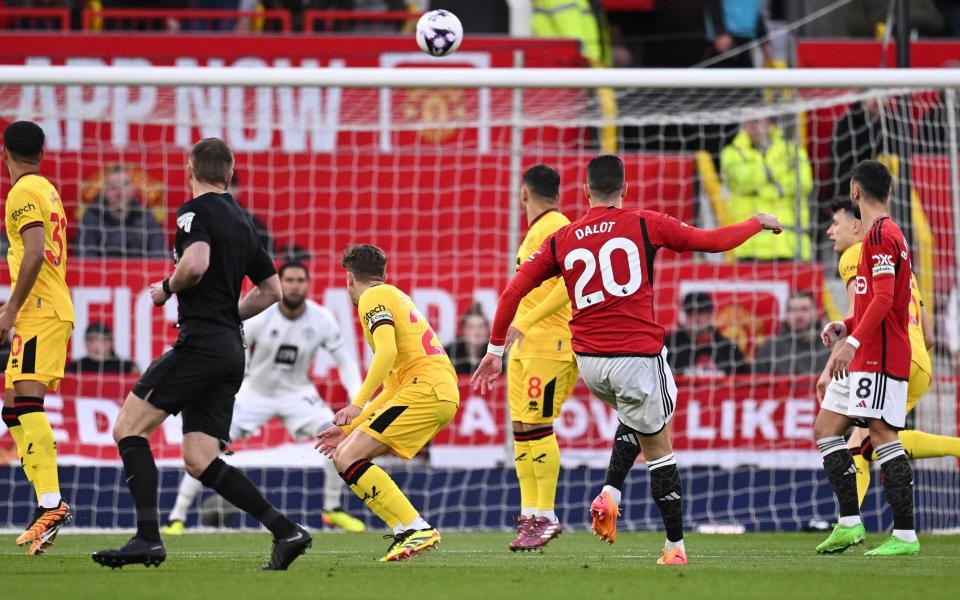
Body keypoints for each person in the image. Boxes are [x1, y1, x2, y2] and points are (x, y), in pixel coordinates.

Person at [472, 155, 783, 565]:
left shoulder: (563, 237)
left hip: (590, 363)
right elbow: (711, 242)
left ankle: (612, 490)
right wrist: (755, 222)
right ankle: (674, 547)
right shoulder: (644, 221)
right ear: (625, 189)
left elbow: (512, 292)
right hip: (634, 354)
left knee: (639, 410)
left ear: (585, 192)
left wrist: (495, 350)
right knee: (660, 443)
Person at [91, 138, 311, 570]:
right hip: (231, 348)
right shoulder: (246, 222)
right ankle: (287, 531)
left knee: (128, 429)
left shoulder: (194, 212)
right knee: (199, 460)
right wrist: (230, 314)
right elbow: (272, 291)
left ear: (188, 170)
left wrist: (166, 289)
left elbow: (195, 264)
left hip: (202, 343)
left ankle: (148, 539)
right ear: (228, 173)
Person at [161, 261, 365, 535]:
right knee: (206, 444)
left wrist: (357, 399)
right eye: (289, 280)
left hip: (298, 395)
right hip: (254, 392)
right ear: (280, 284)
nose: (295, 286)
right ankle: (177, 517)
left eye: (300, 281)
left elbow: (346, 362)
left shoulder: (322, 319)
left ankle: (332, 510)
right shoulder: (260, 315)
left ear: (307, 285)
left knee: (335, 436)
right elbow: (232, 350)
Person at [315, 244, 460, 562]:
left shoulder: (372, 297)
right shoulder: (394, 296)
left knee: (349, 455)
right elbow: (393, 385)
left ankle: (414, 528)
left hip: (426, 390)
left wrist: (357, 403)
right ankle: (408, 530)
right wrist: (352, 426)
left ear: (350, 278)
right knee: (345, 454)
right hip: (429, 390)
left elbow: (386, 353)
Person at [822, 196, 960, 511]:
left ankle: (849, 522)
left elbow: (860, 315)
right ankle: (848, 520)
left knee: (873, 438)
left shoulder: (854, 255)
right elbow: (929, 334)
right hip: (918, 361)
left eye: (836, 223)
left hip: (888, 356)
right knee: (865, 441)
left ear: (856, 226)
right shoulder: (902, 262)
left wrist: (831, 365)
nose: (831, 231)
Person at [814, 160, 919, 557]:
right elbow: (876, 301)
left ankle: (905, 535)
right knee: (826, 429)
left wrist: (853, 343)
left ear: (855, 192)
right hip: (867, 349)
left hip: (880, 353)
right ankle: (849, 523)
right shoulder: (885, 233)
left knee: (881, 436)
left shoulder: (881, 234)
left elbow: (885, 299)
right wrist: (845, 325)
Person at [0, 120, 75, 556]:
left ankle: (51, 502)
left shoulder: (22, 192)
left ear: (4, 152)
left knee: (27, 403)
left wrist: (12, 309)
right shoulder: (46, 189)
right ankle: (46, 503)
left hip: (39, 310)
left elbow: (33, 252)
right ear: (43, 152)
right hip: (42, 308)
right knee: (13, 408)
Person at [501, 165, 576, 551]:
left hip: (552, 344)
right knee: (522, 431)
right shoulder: (536, 230)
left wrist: (526, 319)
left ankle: (546, 515)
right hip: (527, 345)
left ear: (523, 194)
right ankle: (530, 514)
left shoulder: (556, 227)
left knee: (538, 426)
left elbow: (571, 282)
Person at [721, 116, 813, 260]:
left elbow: (804, 183)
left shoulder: (792, 150)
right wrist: (779, 176)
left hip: (788, 246)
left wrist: (759, 188)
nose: (752, 126)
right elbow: (740, 180)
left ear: (769, 123)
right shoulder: (731, 152)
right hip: (747, 247)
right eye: (748, 121)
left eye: (757, 120)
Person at [75, 165, 167, 258]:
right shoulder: (91, 219)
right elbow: (85, 259)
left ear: (133, 189)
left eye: (125, 185)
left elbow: (159, 257)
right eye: (113, 187)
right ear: (104, 191)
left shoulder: (147, 218)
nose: (120, 192)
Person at [665, 292, 748, 376]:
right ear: (684, 315)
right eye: (691, 312)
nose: (696, 317)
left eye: (701, 312)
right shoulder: (669, 345)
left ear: (710, 314)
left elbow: (744, 379)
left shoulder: (727, 348)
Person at [753, 291, 830, 376]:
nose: (799, 315)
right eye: (793, 310)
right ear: (786, 315)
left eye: (804, 309)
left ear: (815, 313)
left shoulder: (829, 347)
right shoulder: (771, 348)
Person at [703, 0, 773, 68]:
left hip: (746, 38)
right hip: (726, 39)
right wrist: (721, 32)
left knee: (746, 76)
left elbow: (756, 10)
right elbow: (713, 3)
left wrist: (765, 42)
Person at [65, 322, 139, 375]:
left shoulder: (127, 367)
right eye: (91, 341)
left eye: (100, 340)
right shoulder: (74, 368)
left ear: (110, 342)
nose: (95, 346)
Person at [444, 303, 489, 376]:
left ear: (488, 330)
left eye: (480, 327)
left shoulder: (497, 356)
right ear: (463, 330)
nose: (476, 332)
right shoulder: (449, 353)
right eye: (471, 327)